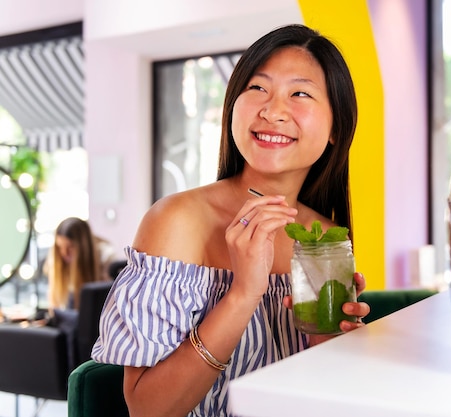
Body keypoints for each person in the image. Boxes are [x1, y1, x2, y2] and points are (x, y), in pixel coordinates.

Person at [92, 24, 371, 417]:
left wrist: (331, 341)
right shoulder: (176, 221)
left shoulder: (322, 239)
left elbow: (326, 398)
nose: (272, 111)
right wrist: (242, 294)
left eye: (300, 93)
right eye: (258, 88)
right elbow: (147, 409)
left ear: (335, 129)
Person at [45, 216, 113, 311]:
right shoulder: (58, 263)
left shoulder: (106, 260)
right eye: (60, 247)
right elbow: (54, 305)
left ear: (84, 247)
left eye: (71, 247)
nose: (64, 253)